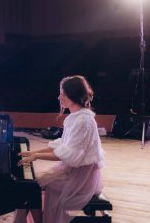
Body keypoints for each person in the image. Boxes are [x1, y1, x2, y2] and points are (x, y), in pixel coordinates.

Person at [14, 75, 106, 223]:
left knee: (32, 189)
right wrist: (34, 153)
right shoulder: (74, 117)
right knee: (29, 190)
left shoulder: (84, 121)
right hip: (73, 169)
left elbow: (71, 156)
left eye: (62, 93)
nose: (59, 97)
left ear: (73, 95)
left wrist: (36, 156)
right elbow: (64, 145)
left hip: (81, 176)